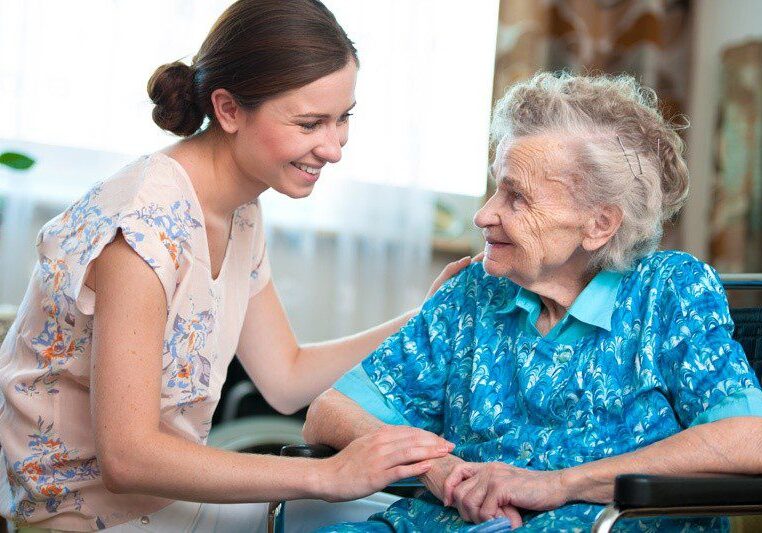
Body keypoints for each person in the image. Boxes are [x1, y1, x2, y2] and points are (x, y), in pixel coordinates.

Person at [0, 1, 470, 531]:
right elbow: (127, 458)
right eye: (310, 123)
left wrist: (429, 314)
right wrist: (330, 474)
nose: (334, 148)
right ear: (227, 110)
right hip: (80, 514)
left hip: (165, 504)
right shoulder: (142, 229)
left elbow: (286, 377)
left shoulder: (240, 208)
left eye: (344, 119)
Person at [303, 72, 762, 532]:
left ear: (598, 224)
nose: (484, 215)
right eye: (496, 187)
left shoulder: (669, 292)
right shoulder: (476, 291)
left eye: (517, 197)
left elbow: (748, 439)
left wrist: (558, 484)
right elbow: (329, 413)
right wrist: (436, 470)